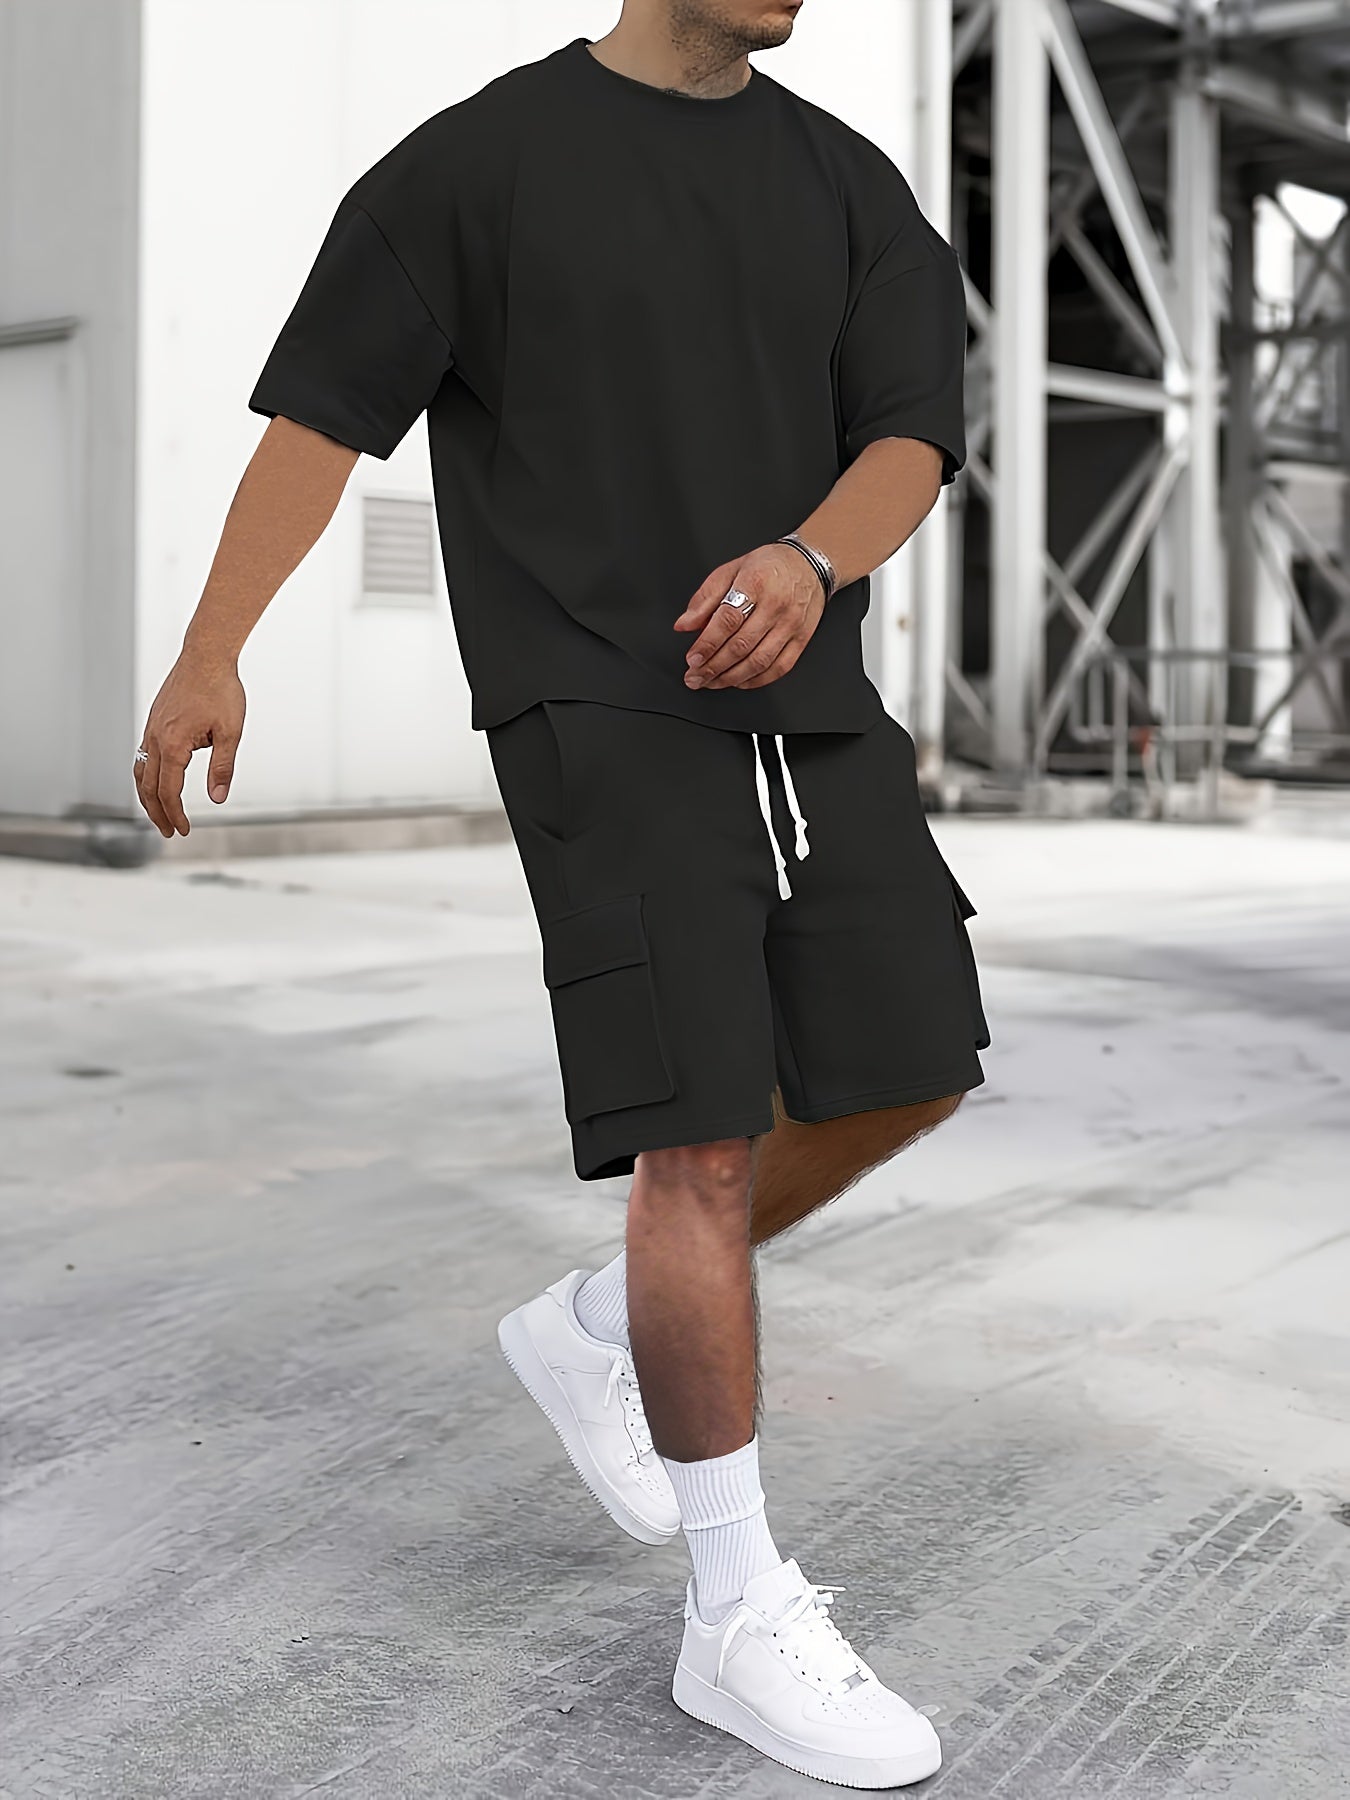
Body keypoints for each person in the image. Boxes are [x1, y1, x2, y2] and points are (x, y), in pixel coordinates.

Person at [133, 1, 989, 1786]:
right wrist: (212, 649)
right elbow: (320, 424)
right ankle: (734, 1612)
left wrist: (812, 557)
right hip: (595, 703)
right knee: (696, 1143)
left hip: (809, 696)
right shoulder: (474, 171)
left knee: (908, 1070)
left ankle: (598, 1325)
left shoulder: (847, 184)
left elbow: (910, 433)